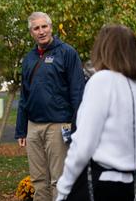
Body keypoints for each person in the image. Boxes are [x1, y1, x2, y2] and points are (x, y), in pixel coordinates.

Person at [56, 24, 136, 201]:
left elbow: (83, 144)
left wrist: (63, 190)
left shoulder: (102, 80)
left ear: (104, 49)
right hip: (131, 185)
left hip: (99, 185)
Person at [15, 11, 85, 201]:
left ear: (51, 27)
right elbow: (24, 95)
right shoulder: (29, 58)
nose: (41, 31)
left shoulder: (67, 53)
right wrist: (21, 130)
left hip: (58, 126)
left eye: (44, 26)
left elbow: (77, 92)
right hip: (33, 127)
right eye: (36, 28)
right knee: (38, 180)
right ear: (31, 32)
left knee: (59, 180)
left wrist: (76, 127)